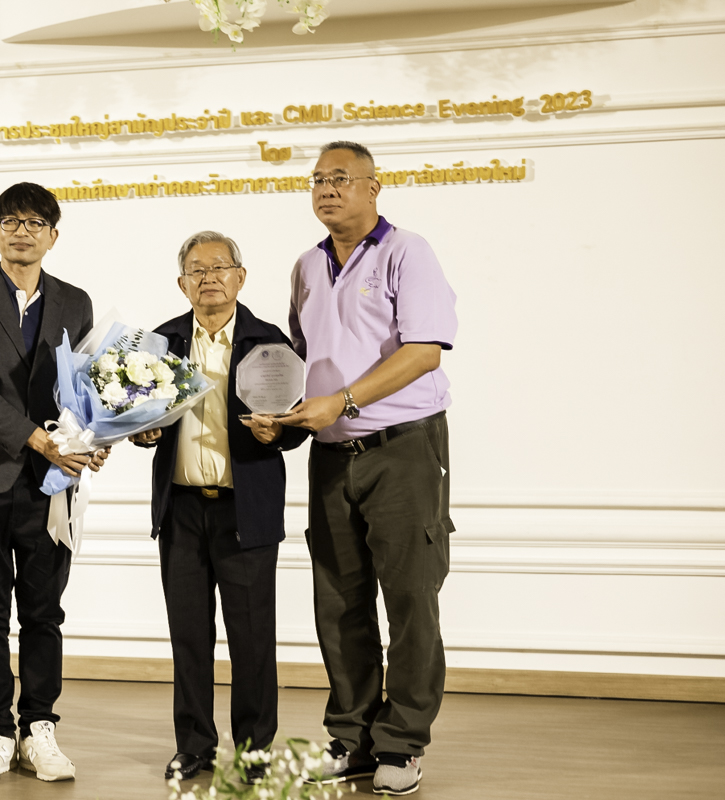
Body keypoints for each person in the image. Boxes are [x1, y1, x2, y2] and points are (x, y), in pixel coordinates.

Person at [273, 141, 458, 796]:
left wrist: (345, 400)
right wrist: (280, 414)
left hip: (403, 449)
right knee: (339, 602)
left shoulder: (407, 252)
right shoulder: (306, 265)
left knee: (410, 600)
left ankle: (402, 744)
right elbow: (299, 358)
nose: (327, 189)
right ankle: (351, 738)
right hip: (330, 456)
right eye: (318, 180)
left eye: (341, 178)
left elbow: (425, 351)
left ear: (374, 187)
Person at [0, 182, 108, 785]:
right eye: (10, 221)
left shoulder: (75, 301)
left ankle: (39, 726)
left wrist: (95, 437)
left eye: (35, 222)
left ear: (53, 236)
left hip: (50, 484)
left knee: (43, 612)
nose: (22, 232)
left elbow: (84, 387)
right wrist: (37, 439)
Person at [131, 231, 310, 784]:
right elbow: (137, 416)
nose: (208, 277)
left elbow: (298, 423)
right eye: (197, 269)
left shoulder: (269, 342)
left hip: (245, 510)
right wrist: (141, 433)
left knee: (252, 638)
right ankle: (194, 746)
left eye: (219, 267)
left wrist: (278, 434)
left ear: (240, 277)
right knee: (189, 636)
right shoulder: (158, 343)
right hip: (181, 508)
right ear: (181, 283)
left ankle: (254, 751)